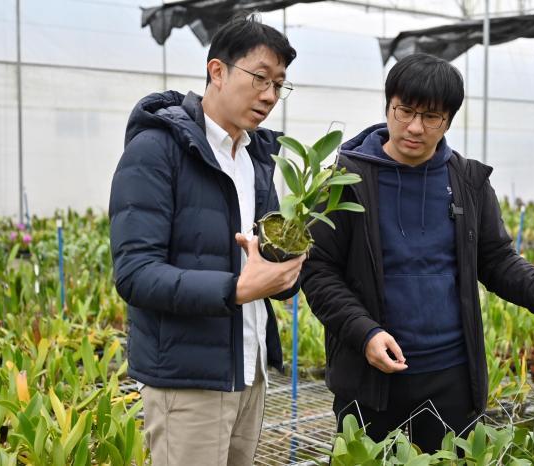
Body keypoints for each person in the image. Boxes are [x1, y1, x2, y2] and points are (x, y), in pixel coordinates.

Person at [301, 53, 534, 454]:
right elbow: (318, 271)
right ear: (388, 106)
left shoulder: (468, 182)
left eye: (431, 117)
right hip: (371, 376)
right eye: (405, 111)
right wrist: (364, 332)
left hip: (451, 376)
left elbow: (497, 259)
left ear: (449, 120)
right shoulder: (345, 181)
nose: (415, 127)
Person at [109, 15, 304, 466]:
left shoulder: (255, 158)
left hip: (250, 370)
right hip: (188, 380)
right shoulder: (157, 151)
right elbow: (136, 274)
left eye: (279, 85)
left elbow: (262, 262)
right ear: (217, 71)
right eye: (260, 78)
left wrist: (287, 269)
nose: (270, 95)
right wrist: (235, 288)